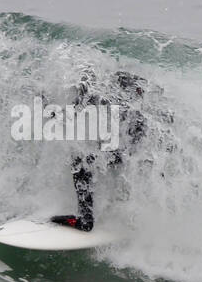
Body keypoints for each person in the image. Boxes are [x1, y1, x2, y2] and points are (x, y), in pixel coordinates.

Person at [50, 68, 149, 232]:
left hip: (131, 154)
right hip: (136, 156)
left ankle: (85, 220)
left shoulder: (112, 98)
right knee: (94, 156)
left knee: (81, 162)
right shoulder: (130, 103)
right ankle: (119, 212)